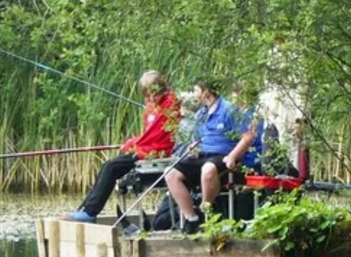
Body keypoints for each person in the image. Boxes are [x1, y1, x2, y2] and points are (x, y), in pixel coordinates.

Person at [66, 70, 179, 222]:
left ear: (163, 89)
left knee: (111, 167)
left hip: (158, 152)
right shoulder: (154, 105)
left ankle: (90, 212)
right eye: (147, 96)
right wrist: (134, 142)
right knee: (108, 165)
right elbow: (150, 133)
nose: (152, 99)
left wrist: (133, 143)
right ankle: (86, 210)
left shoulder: (170, 103)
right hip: (149, 148)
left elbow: (156, 134)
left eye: (155, 94)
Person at [162, 79, 259, 233]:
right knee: (170, 173)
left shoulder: (229, 110)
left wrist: (232, 156)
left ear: (206, 92)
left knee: (208, 169)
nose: (194, 95)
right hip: (202, 154)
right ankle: (191, 218)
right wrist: (193, 147)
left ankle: (205, 210)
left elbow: (247, 137)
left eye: (196, 91)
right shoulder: (201, 114)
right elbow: (198, 138)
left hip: (223, 155)